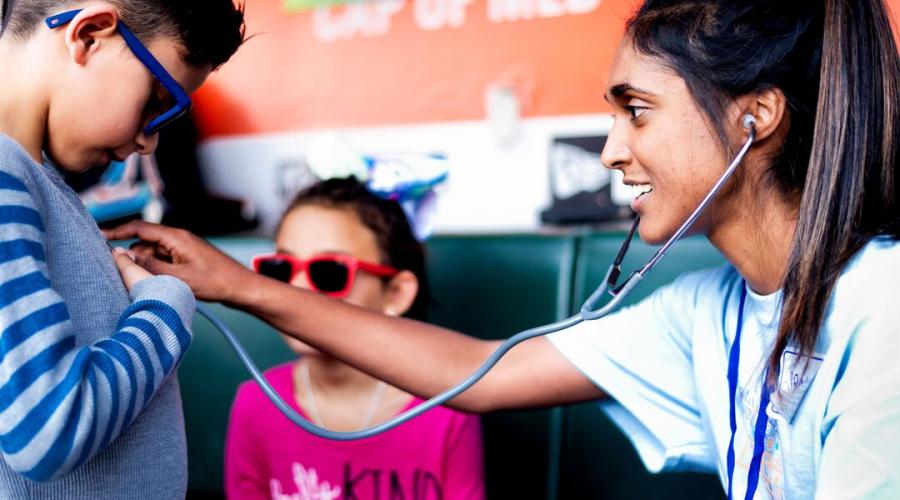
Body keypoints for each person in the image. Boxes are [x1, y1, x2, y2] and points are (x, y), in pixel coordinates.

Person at [106, 0, 900, 498]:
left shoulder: (884, 313)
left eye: (637, 112)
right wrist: (238, 284)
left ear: (755, 119)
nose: (611, 153)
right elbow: (480, 375)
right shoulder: (706, 314)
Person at [0, 0, 244, 497]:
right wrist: (165, 310)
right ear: (89, 35)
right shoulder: (7, 177)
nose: (149, 142)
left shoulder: (35, 181)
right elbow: (48, 428)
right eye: (157, 101)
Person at [225, 177, 484, 500]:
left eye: (328, 271)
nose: (297, 289)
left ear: (396, 293)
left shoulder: (447, 409)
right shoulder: (256, 404)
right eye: (282, 269)